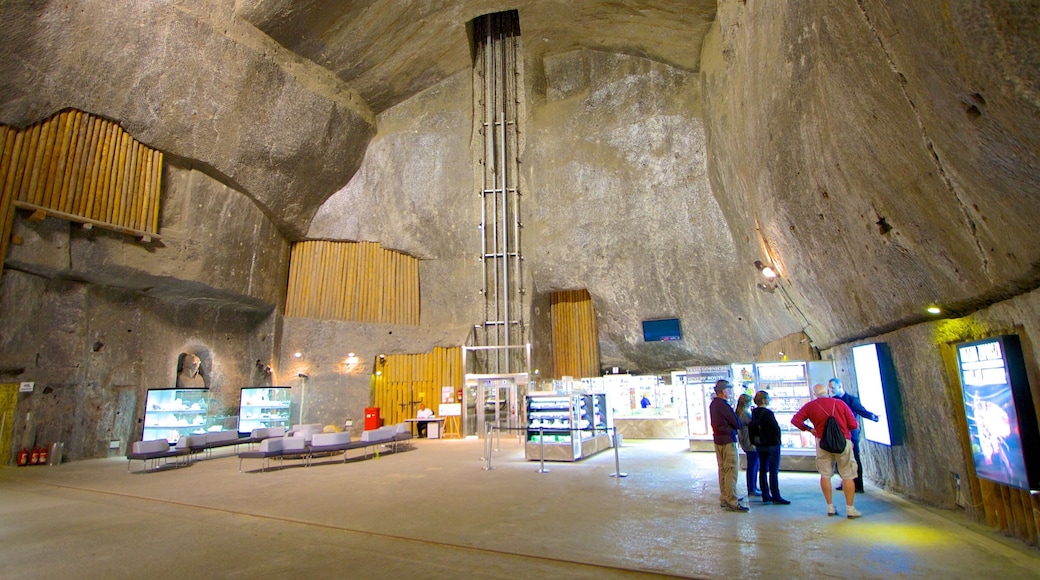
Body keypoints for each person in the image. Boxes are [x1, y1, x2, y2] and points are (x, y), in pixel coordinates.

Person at [792, 383, 861, 518]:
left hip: (822, 442)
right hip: (842, 442)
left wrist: (809, 429)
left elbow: (796, 420)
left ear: (814, 394)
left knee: (825, 474)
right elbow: (853, 424)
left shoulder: (810, 406)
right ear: (828, 392)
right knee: (847, 474)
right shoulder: (839, 404)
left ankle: (830, 506)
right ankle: (850, 508)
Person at [828, 378, 878, 493]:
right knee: (841, 459)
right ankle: (845, 481)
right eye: (830, 388)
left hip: (851, 434)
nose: (831, 390)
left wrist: (873, 417)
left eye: (833, 387)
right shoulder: (832, 400)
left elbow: (861, 411)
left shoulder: (851, 400)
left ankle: (858, 484)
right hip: (838, 434)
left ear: (840, 386)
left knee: (854, 458)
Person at [710, 380, 748, 512]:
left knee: (722, 469)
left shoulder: (713, 404)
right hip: (727, 441)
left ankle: (725, 497)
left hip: (718, 440)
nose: (730, 393)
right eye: (729, 390)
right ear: (724, 391)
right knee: (730, 469)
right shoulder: (724, 405)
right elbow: (736, 422)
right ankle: (732, 500)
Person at [750, 390, 789, 504]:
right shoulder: (768, 413)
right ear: (764, 400)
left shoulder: (754, 413)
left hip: (760, 445)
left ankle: (765, 494)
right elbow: (775, 429)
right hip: (772, 445)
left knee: (762, 469)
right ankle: (776, 495)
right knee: (773, 471)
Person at [735, 393, 760, 498]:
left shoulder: (739, 412)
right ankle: (752, 488)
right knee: (753, 465)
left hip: (745, 441)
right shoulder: (745, 414)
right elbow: (753, 424)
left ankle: (753, 486)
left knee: (753, 464)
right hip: (750, 442)